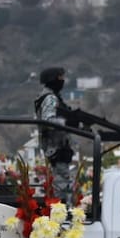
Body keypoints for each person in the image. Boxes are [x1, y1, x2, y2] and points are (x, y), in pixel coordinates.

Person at [36, 66, 75, 204]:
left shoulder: (52, 96)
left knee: (63, 182)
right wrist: (67, 122)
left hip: (56, 147)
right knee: (61, 185)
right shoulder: (50, 98)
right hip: (56, 148)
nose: (62, 80)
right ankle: (61, 209)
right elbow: (48, 121)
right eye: (60, 77)